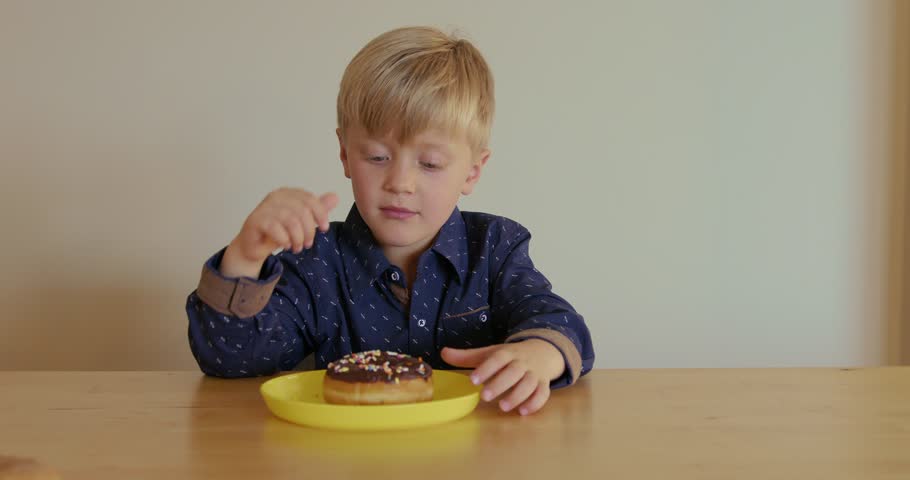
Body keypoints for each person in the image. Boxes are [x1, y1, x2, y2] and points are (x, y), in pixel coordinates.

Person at [186, 26, 594, 415]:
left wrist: (541, 352)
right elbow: (231, 359)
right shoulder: (316, 260)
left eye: (430, 163)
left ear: (472, 170)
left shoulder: (494, 247)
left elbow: (556, 319)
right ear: (345, 153)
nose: (400, 183)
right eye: (377, 157)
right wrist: (246, 254)